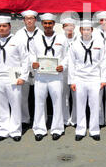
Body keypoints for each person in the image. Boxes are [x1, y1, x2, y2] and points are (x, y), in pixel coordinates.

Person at [0, 16, 29, 142]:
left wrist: (23, 77)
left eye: (4, 26)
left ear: (9, 27)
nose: (1, 28)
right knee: (0, 105)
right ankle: (4, 130)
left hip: (13, 75)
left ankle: (15, 131)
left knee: (15, 104)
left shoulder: (17, 40)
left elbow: (25, 60)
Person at [68, 19, 106, 141]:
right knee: (80, 105)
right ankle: (80, 130)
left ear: (92, 30)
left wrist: (104, 79)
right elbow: (71, 64)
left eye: (88, 29)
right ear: (80, 30)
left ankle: (94, 130)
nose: (86, 32)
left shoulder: (100, 43)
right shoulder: (74, 45)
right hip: (80, 79)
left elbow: (103, 62)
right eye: (83, 29)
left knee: (95, 106)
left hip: (95, 79)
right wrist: (72, 81)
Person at [30, 13, 66, 141]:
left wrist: (63, 66)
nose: (47, 26)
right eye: (45, 23)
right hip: (41, 76)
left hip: (56, 76)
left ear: (54, 24)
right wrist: (33, 63)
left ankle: (57, 129)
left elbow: (67, 57)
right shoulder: (36, 39)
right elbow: (31, 54)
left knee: (57, 103)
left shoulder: (62, 39)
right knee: (39, 103)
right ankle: (39, 129)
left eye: (50, 23)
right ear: (42, 24)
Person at [14, 10, 43, 128]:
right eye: (27, 19)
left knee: (40, 94)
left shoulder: (41, 33)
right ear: (24, 20)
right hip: (23, 67)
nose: (29, 20)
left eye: (32, 18)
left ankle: (41, 119)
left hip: (38, 67)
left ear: (35, 20)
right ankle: (24, 119)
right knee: (23, 94)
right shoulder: (19, 34)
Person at [61, 17, 79, 127]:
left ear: (74, 27)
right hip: (62, 71)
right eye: (66, 26)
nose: (69, 28)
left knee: (76, 96)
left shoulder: (79, 38)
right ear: (63, 28)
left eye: (71, 25)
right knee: (63, 96)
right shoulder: (59, 38)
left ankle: (75, 119)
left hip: (76, 71)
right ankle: (64, 119)